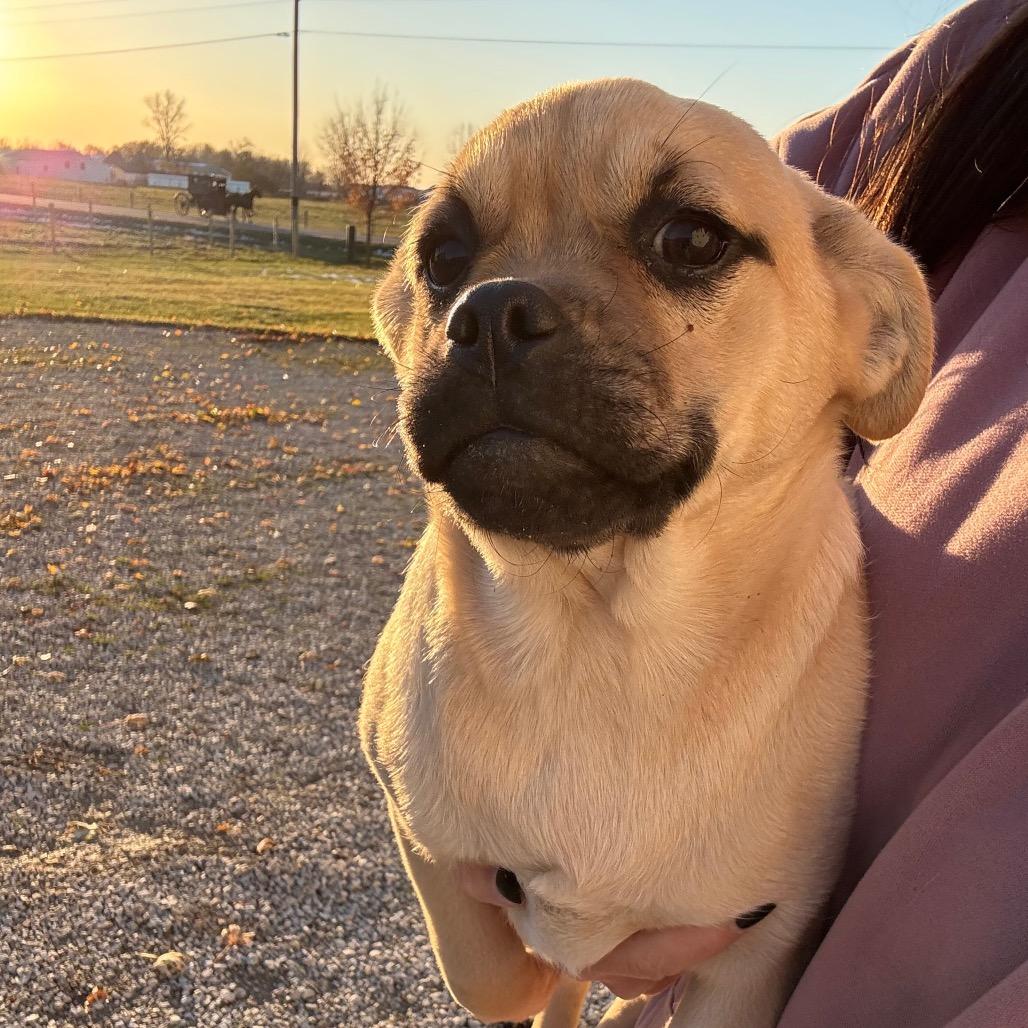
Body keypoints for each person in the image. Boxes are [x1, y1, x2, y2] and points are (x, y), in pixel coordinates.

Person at [457, 0, 1028, 1023]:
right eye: (451, 262)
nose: (498, 305)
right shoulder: (976, 65)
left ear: (882, 335)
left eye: (682, 242)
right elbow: (746, 172)